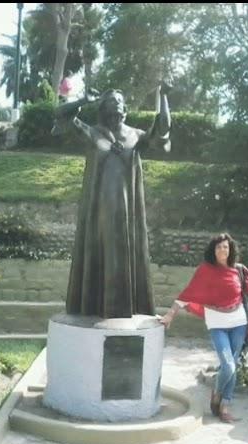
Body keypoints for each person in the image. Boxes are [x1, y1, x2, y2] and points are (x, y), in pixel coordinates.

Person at [53, 84, 172, 319]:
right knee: (101, 254)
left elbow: (162, 130)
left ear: (125, 107)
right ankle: (98, 307)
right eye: (110, 100)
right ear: (103, 108)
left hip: (128, 214)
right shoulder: (93, 133)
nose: (115, 102)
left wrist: (164, 96)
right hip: (99, 212)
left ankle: (123, 311)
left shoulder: (135, 136)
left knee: (125, 255)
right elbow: (60, 115)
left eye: (119, 99)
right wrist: (80, 101)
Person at [159, 233, 248, 423]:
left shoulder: (239, 270)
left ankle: (224, 405)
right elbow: (187, 294)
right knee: (228, 365)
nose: (222, 250)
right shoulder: (205, 270)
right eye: (218, 247)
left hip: (239, 323)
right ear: (213, 251)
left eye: (225, 247)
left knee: (234, 364)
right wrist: (170, 314)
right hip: (217, 324)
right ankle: (216, 393)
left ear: (230, 249)